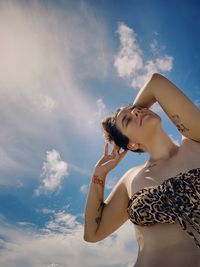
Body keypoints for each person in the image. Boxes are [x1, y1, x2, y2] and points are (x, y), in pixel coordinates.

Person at [83, 73, 200, 267]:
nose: (136, 112)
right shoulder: (132, 178)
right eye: (128, 120)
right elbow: (92, 234)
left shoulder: (195, 143)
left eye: (137, 109)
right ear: (131, 145)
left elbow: (155, 82)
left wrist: (128, 116)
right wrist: (99, 175)